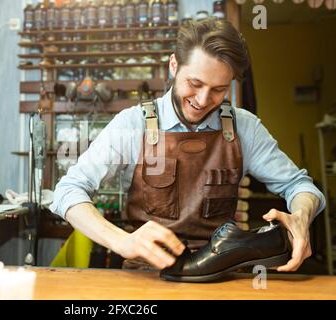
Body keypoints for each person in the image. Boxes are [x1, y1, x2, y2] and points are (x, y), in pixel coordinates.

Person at [49, 18, 325, 272]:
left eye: (219, 89)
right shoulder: (132, 125)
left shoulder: (245, 128)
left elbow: (299, 186)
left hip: (221, 275)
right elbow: (68, 191)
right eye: (195, 83)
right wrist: (122, 242)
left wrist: (301, 214)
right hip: (147, 277)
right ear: (174, 65)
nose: (204, 100)